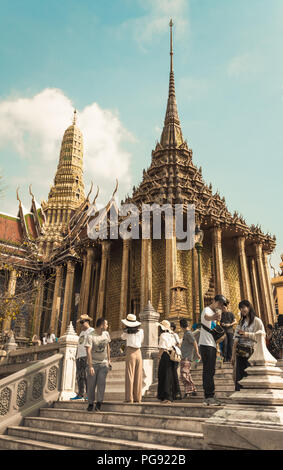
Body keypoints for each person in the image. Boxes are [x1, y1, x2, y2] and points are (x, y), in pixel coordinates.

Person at [199, 294, 228, 406]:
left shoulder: (217, 313)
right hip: (205, 344)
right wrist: (213, 317)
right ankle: (208, 396)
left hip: (211, 344)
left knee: (211, 370)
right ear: (214, 301)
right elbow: (206, 317)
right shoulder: (207, 310)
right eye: (219, 303)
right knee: (208, 370)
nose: (220, 306)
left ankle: (210, 395)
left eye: (222, 304)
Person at [232, 300, 265, 391]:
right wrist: (233, 355)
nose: (242, 310)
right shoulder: (241, 323)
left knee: (250, 374)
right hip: (240, 352)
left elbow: (262, 336)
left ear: (249, 307)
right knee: (240, 375)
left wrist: (247, 334)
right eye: (240, 308)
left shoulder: (257, 321)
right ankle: (239, 393)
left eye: (243, 307)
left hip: (252, 352)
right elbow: (236, 339)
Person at [85, 317, 111, 412]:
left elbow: (108, 346)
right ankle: (91, 403)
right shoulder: (90, 336)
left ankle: (99, 403)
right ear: (102, 325)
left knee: (101, 383)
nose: (107, 326)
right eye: (106, 324)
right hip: (93, 364)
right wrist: (90, 366)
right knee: (91, 385)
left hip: (103, 364)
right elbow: (88, 351)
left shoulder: (106, 334)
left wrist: (109, 360)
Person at [121, 314, 144, 403]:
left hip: (130, 352)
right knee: (138, 375)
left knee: (130, 375)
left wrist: (126, 330)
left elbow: (122, 337)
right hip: (138, 352)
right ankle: (138, 398)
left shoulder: (126, 333)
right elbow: (141, 340)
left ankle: (129, 398)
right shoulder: (141, 331)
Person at [71, 314, 94, 401]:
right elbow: (79, 345)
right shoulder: (81, 333)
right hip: (79, 357)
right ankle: (80, 394)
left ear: (87, 322)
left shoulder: (92, 331)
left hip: (86, 356)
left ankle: (89, 394)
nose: (81, 324)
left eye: (82, 322)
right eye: (80, 322)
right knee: (80, 376)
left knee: (87, 376)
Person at [157, 320, 180, 404]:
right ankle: (172, 395)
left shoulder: (163, 335)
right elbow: (178, 344)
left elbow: (162, 348)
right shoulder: (174, 335)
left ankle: (167, 397)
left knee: (165, 376)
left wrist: (158, 356)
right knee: (172, 375)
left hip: (166, 356)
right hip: (173, 356)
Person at [179, 318, 201, 399]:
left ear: (181, 326)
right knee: (186, 374)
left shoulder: (188, 333)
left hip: (187, 357)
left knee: (183, 374)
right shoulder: (187, 333)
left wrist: (197, 353)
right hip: (185, 356)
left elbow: (194, 342)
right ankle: (192, 389)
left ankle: (189, 390)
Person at [170, 322, 182, 400]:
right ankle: (174, 393)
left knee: (174, 374)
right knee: (172, 375)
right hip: (170, 356)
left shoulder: (175, 335)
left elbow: (178, 344)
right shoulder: (168, 335)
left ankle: (177, 393)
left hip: (174, 355)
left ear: (172, 328)